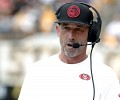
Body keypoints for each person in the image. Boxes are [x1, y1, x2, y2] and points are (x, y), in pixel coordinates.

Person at [18, 2, 120, 100]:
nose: (71, 36)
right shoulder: (37, 71)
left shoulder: (105, 75)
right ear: (58, 30)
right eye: (66, 28)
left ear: (90, 33)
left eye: (78, 29)